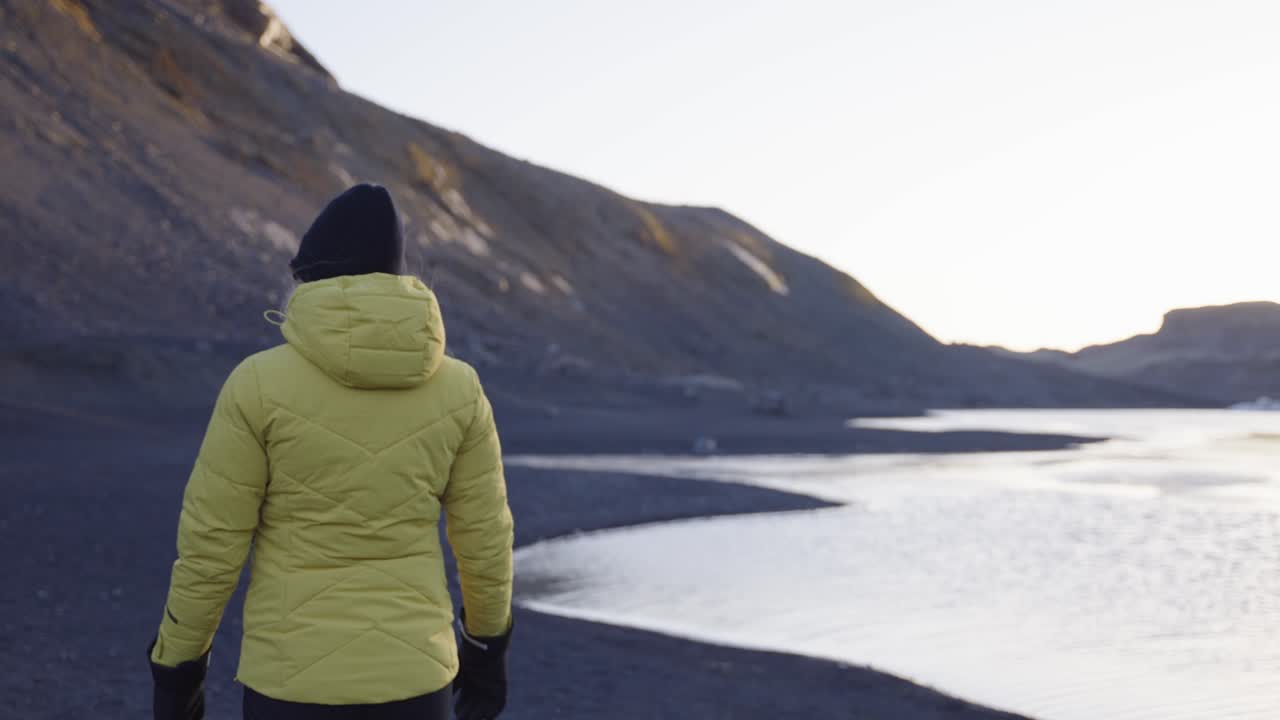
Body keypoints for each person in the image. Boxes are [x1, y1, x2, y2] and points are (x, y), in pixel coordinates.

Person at [147, 184, 515, 720]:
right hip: (416, 680)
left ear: (310, 277)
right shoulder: (460, 389)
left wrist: (177, 673)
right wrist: (486, 654)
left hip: (289, 684)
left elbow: (211, 547)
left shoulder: (257, 384)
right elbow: (486, 540)